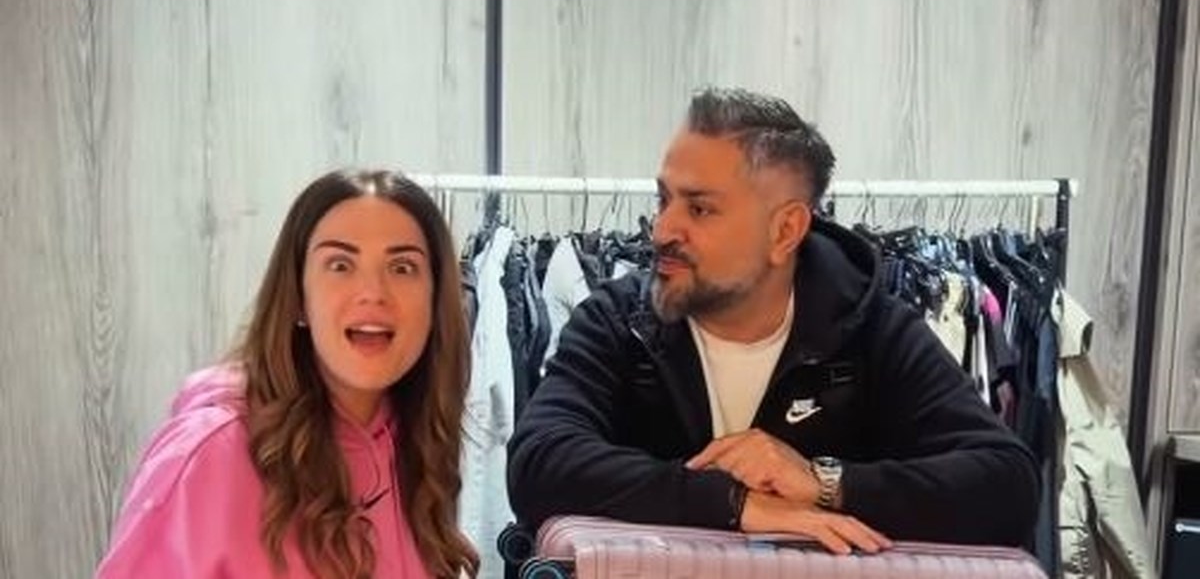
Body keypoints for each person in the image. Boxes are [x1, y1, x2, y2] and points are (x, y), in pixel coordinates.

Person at [507, 88, 1040, 555]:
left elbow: (1008, 487)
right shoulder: (619, 322)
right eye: (663, 199)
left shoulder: (874, 332)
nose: (662, 229)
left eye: (699, 208)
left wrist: (825, 483)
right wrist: (731, 503)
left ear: (785, 231)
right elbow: (538, 463)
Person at [96, 170, 479, 578]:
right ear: (298, 298)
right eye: (340, 265)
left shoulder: (417, 444)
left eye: (402, 268)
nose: (373, 293)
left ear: (435, 300)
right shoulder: (209, 456)